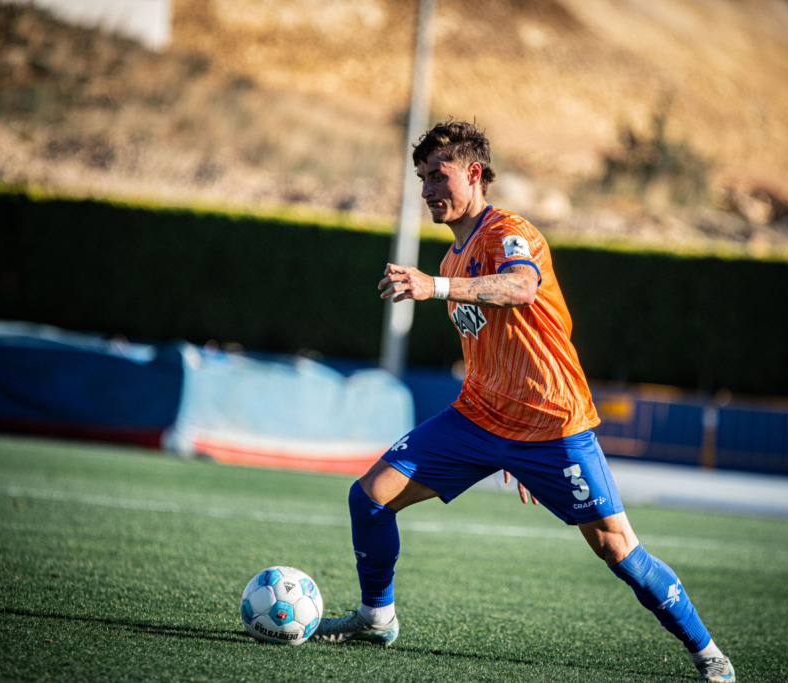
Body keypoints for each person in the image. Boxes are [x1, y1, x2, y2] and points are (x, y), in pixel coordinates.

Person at [313, 119, 736, 682]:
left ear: (474, 173)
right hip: (480, 418)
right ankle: (376, 618)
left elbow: (520, 287)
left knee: (617, 549)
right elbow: (488, 349)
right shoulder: (452, 258)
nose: (428, 190)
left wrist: (434, 288)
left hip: (552, 422)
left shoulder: (510, 231)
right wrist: (500, 443)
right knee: (369, 497)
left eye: (438, 175)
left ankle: (709, 654)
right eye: (422, 178)